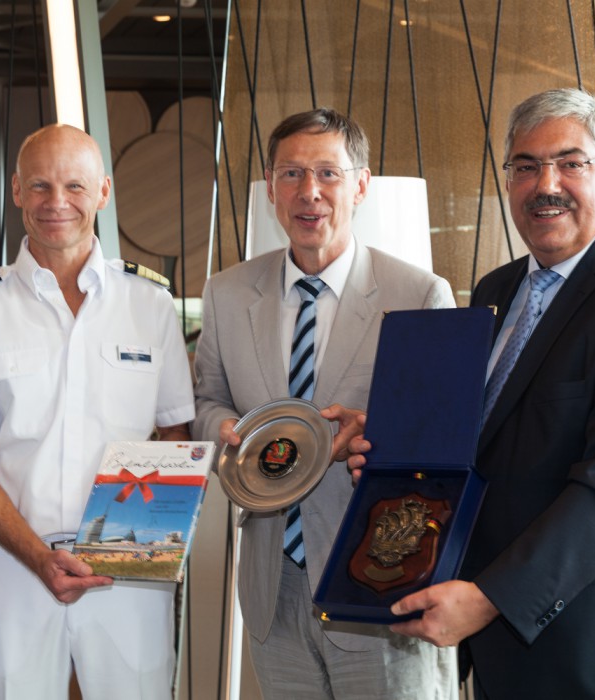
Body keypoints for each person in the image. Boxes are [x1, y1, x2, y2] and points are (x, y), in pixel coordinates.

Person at [351, 88, 595, 698]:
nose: (545, 184)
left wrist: (490, 598)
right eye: (525, 166)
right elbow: (482, 436)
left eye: (570, 162)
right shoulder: (495, 289)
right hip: (506, 630)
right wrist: (390, 437)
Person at [0, 124, 195, 700]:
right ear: (16, 190)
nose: (57, 202)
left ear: (103, 192)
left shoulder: (151, 304)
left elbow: (174, 434)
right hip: (14, 564)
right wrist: (41, 557)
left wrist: (135, 548)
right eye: (40, 185)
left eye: (74, 185)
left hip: (128, 566)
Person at [193, 108, 457, 699]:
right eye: (290, 174)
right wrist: (231, 431)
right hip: (271, 581)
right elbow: (207, 399)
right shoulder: (229, 293)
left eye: (328, 174)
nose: (308, 192)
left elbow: (443, 439)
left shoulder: (418, 294)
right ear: (269, 187)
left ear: (360, 185)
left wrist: (375, 432)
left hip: (382, 576)